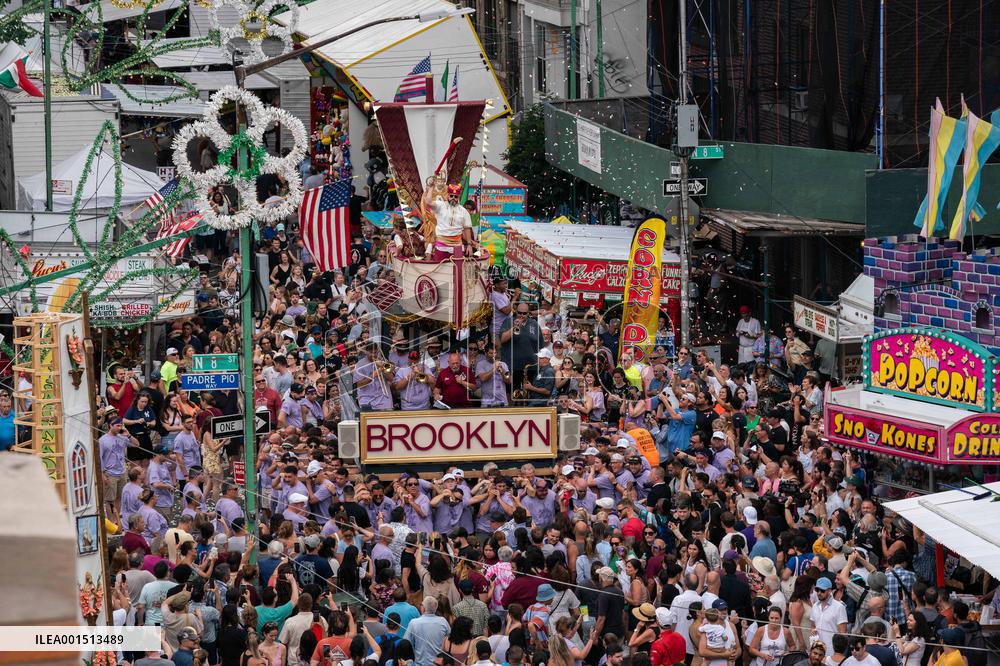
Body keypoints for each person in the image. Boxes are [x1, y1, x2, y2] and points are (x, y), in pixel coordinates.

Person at [403, 596, 451, 666]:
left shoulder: (414, 622)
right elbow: (450, 639)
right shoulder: (443, 621)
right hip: (438, 663)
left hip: (421, 663)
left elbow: (406, 642)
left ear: (424, 608)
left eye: (421, 605)